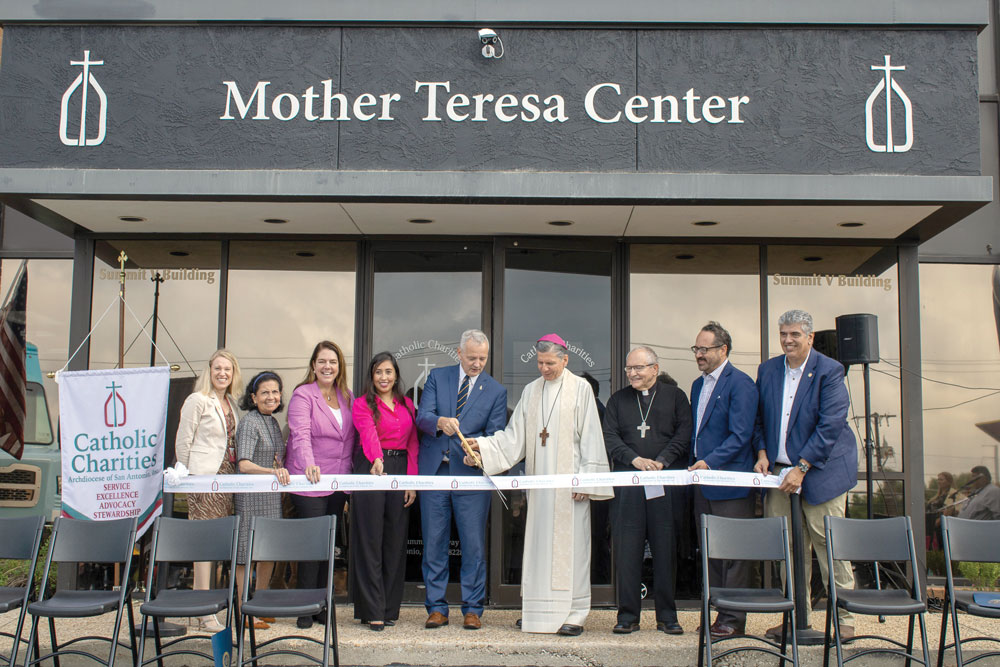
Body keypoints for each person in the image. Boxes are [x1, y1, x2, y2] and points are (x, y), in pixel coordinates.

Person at [466, 334, 613, 636]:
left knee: (570, 549)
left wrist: (586, 478)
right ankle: (539, 611)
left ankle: (574, 614)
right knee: (538, 547)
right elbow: (513, 437)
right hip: (539, 486)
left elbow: (591, 438)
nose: (544, 369)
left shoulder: (580, 389)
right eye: (540, 363)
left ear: (565, 359)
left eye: (550, 363)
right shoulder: (531, 391)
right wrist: (482, 447)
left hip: (570, 489)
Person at [752, 309, 858, 640]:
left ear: (810, 337)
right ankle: (797, 618)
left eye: (795, 334)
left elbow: (830, 425)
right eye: (783, 334)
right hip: (781, 475)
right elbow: (758, 419)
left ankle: (844, 619)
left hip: (822, 471)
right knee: (788, 546)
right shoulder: (768, 370)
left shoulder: (830, 371)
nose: (787, 340)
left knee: (828, 544)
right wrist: (762, 453)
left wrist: (802, 467)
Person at [415, 330, 507, 631]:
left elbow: (495, 435)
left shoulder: (495, 391)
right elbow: (422, 416)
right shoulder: (436, 377)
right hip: (436, 473)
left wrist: (477, 453)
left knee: (473, 546)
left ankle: (472, 609)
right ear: (459, 353)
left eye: (482, 358)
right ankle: (437, 608)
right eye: (472, 358)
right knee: (434, 543)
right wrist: (440, 422)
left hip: (470, 475)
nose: (477, 364)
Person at [604, 346, 691, 635]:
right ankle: (627, 615)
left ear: (654, 368)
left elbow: (683, 433)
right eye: (629, 368)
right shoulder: (618, 400)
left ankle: (667, 616)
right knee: (627, 551)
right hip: (629, 485)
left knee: (665, 550)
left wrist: (662, 461)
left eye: (638, 368)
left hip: (662, 484)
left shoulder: (676, 398)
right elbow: (610, 436)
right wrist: (634, 459)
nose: (632, 374)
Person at [687, 322, 758, 639]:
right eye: (696, 349)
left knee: (734, 555)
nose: (699, 355)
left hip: (730, 484)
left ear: (723, 350)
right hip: (702, 484)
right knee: (711, 552)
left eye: (704, 349)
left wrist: (710, 460)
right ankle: (718, 613)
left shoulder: (740, 384)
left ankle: (733, 619)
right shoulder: (697, 386)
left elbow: (741, 435)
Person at [285, 341, 356, 629]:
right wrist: (308, 462)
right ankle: (304, 608)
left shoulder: (347, 396)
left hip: (338, 480)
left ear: (340, 366)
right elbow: (300, 433)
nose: (328, 366)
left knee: (329, 546)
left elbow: (351, 438)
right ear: (313, 365)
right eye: (322, 361)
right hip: (310, 479)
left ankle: (321, 607)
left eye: (333, 361)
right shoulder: (303, 395)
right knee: (311, 545)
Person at [174, 349, 242, 632]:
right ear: (209, 370)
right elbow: (183, 442)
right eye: (217, 368)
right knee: (203, 543)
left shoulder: (231, 404)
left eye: (227, 369)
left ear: (233, 373)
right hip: (204, 479)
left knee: (214, 543)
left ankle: (205, 607)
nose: (222, 373)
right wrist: (191, 479)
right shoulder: (197, 400)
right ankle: (203, 612)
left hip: (226, 479)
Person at [350, 352, 418, 631]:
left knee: (394, 540)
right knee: (370, 539)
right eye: (379, 372)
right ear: (372, 375)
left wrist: (412, 481)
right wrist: (376, 459)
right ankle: (372, 609)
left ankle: (389, 608)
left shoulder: (407, 405)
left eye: (388, 372)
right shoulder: (361, 403)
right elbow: (368, 433)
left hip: (400, 468)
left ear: (396, 375)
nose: (384, 377)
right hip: (371, 467)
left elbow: (413, 443)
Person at [233, 371, 290, 630]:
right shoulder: (249, 422)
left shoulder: (274, 423)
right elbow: (243, 464)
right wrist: (272, 472)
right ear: (253, 397)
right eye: (265, 392)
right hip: (250, 495)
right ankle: (245, 609)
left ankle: (261, 604)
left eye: (275, 392)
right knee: (246, 553)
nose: (271, 396)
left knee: (267, 551)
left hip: (271, 496)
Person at [926, 471, 960, 549]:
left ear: (948, 482)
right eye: (938, 479)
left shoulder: (951, 496)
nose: (939, 482)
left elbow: (949, 511)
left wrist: (936, 523)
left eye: (941, 480)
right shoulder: (937, 496)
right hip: (930, 527)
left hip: (941, 528)